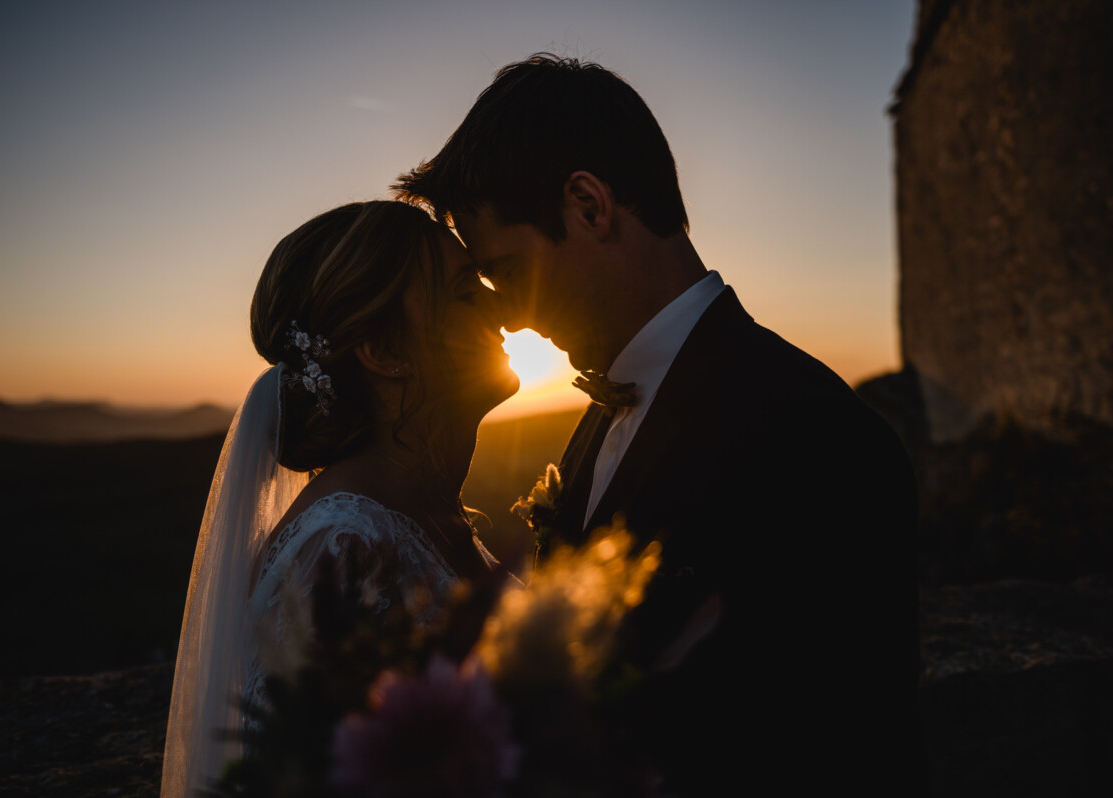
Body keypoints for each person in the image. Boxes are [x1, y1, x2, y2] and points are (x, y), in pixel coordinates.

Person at [395, 54, 925, 794]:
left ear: (589, 206)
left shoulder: (818, 437)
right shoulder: (596, 422)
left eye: (508, 272)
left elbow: (842, 748)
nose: (508, 313)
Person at [161, 201, 519, 797]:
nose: (501, 305)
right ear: (383, 352)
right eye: (463, 292)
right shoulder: (338, 551)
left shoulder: (435, 511)